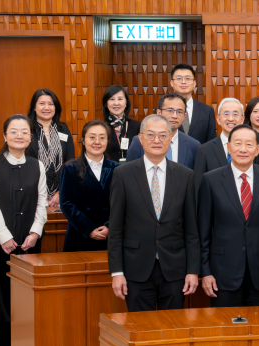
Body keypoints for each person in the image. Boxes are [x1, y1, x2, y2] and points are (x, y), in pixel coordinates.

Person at [108, 114, 200, 312]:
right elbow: (115, 229)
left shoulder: (185, 175)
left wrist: (193, 270)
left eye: (162, 135)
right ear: (140, 139)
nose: (156, 140)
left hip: (175, 271)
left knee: (173, 329)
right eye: (150, 135)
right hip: (136, 270)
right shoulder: (123, 174)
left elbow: (191, 229)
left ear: (170, 139)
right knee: (140, 331)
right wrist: (117, 272)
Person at [0, 115, 47, 346]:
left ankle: (28, 341)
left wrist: (35, 231)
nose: (19, 135)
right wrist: (4, 237)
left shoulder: (37, 165)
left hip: (30, 239)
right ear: (5, 136)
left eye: (24, 131)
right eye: (14, 131)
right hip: (0, 240)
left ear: (30, 137)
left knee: (28, 292)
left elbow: (42, 201)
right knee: (2, 291)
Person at [198, 125, 259, 307]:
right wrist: (205, 272)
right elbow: (203, 231)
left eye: (249, 144)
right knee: (226, 330)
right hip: (222, 273)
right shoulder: (211, 180)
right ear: (229, 147)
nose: (243, 149)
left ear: (257, 149)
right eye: (238, 143)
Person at [59, 120, 120, 253]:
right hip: (79, 233)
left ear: (108, 141)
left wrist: (109, 226)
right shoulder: (70, 168)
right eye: (92, 137)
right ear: (83, 140)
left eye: (102, 138)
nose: (97, 142)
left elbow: (123, 203)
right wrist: (89, 229)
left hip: (110, 235)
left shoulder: (118, 169)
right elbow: (66, 203)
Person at [25, 88, 76, 207]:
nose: (46, 108)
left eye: (50, 104)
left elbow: (70, 164)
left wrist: (60, 193)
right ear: (34, 107)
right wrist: (39, 195)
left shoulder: (63, 130)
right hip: (33, 195)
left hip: (60, 197)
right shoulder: (27, 130)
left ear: (55, 107)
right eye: (42, 103)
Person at [126, 93, 200, 169]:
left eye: (179, 112)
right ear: (159, 112)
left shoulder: (193, 145)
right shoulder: (139, 141)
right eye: (170, 110)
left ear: (184, 116)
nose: (174, 116)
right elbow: (130, 172)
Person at [194, 97, 244, 190]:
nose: (231, 118)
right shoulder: (204, 150)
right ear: (218, 119)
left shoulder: (250, 148)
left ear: (242, 119)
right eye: (226, 114)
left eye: (235, 114)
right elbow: (199, 187)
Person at [168, 63, 217, 144]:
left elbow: (211, 143)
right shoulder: (161, 110)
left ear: (194, 83)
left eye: (187, 78)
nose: (183, 82)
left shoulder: (207, 111)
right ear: (172, 83)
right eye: (179, 78)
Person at [102, 85, 141, 161]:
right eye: (112, 99)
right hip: (108, 171)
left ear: (126, 102)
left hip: (132, 170)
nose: (116, 103)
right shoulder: (101, 127)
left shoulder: (137, 126)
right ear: (106, 104)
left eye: (120, 99)